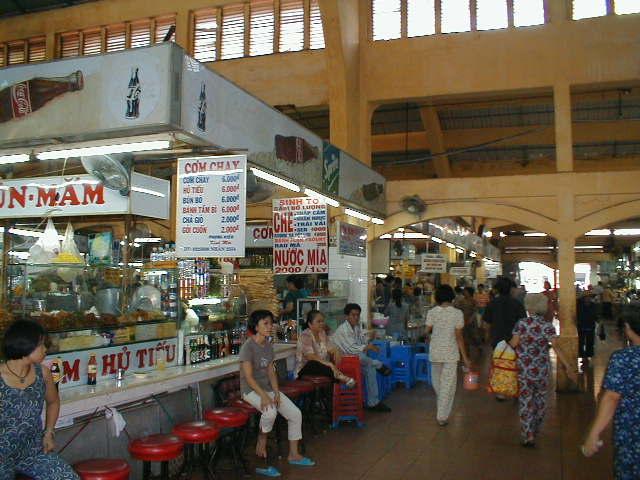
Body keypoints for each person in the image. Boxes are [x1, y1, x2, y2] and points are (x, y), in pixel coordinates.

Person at [0, 320, 80, 480]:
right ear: (25, 345)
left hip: (33, 451)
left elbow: (53, 402)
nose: (45, 349)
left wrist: (49, 432)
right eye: (41, 344)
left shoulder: (42, 373)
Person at [239, 310, 314, 470]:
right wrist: (264, 396)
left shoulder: (268, 345)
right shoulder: (248, 347)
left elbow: (271, 372)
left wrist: (276, 392)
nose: (270, 326)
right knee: (270, 412)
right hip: (250, 391)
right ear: (256, 326)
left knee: (295, 414)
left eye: (271, 323)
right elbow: (249, 378)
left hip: (267, 389)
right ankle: (262, 439)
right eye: (265, 323)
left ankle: (293, 454)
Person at [509, 294, 576, 447]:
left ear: (528, 306)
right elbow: (556, 347)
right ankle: (536, 426)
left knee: (525, 400)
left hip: (524, 370)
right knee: (540, 400)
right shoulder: (547, 326)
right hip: (541, 370)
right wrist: (568, 366)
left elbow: (513, 343)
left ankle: (528, 435)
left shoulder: (521, 324)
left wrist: (502, 350)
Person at [582, 316, 640, 480]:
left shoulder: (624, 358)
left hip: (631, 430)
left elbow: (612, 398)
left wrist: (594, 433)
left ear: (627, 328)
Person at [331, 303, 392, 412]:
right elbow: (351, 349)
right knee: (362, 357)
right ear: (347, 316)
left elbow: (361, 342)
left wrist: (369, 338)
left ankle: (373, 403)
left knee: (370, 369)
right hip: (343, 362)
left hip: (355, 361)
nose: (356, 317)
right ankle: (378, 364)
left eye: (357, 315)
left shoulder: (356, 327)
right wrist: (368, 346)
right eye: (353, 315)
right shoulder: (343, 330)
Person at [425, 285, 471, 426]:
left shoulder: (432, 312)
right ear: (452, 297)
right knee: (447, 385)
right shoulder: (457, 313)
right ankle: (442, 416)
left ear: (437, 297)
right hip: (451, 354)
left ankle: (442, 411)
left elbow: (427, 331)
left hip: (435, 352)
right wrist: (465, 358)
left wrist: (431, 335)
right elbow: (459, 337)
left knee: (437, 383)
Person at [296, 310, 355, 387]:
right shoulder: (306, 335)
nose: (322, 324)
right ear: (310, 324)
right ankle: (341, 377)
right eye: (318, 321)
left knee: (331, 361)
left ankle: (338, 378)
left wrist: (336, 351)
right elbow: (310, 356)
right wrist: (329, 364)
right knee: (313, 363)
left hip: (323, 367)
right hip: (305, 369)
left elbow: (330, 348)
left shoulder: (322, 333)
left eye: (322, 321)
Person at [483, 277, 527, 349]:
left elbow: (486, 325)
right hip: (514, 341)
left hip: (497, 341)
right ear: (510, 289)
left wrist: (487, 338)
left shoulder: (492, 303)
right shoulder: (517, 304)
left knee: (499, 356)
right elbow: (524, 323)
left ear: (498, 289)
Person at [577, 292, 598, 365]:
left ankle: (588, 355)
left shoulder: (593, 305)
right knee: (581, 342)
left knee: (590, 341)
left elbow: (596, 314)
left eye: (589, 297)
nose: (588, 298)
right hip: (581, 325)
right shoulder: (579, 305)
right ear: (583, 298)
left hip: (590, 325)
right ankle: (582, 355)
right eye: (586, 297)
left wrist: (597, 320)